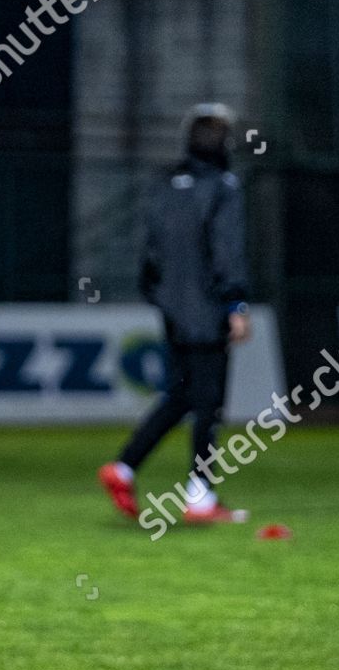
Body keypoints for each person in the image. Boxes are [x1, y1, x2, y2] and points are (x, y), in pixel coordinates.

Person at [99, 103, 251, 524]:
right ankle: (200, 496)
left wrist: (157, 293)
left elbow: (150, 250)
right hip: (207, 309)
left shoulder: (164, 184)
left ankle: (124, 466)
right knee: (209, 404)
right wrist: (234, 303)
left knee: (180, 396)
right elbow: (227, 249)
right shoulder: (224, 186)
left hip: (172, 308)